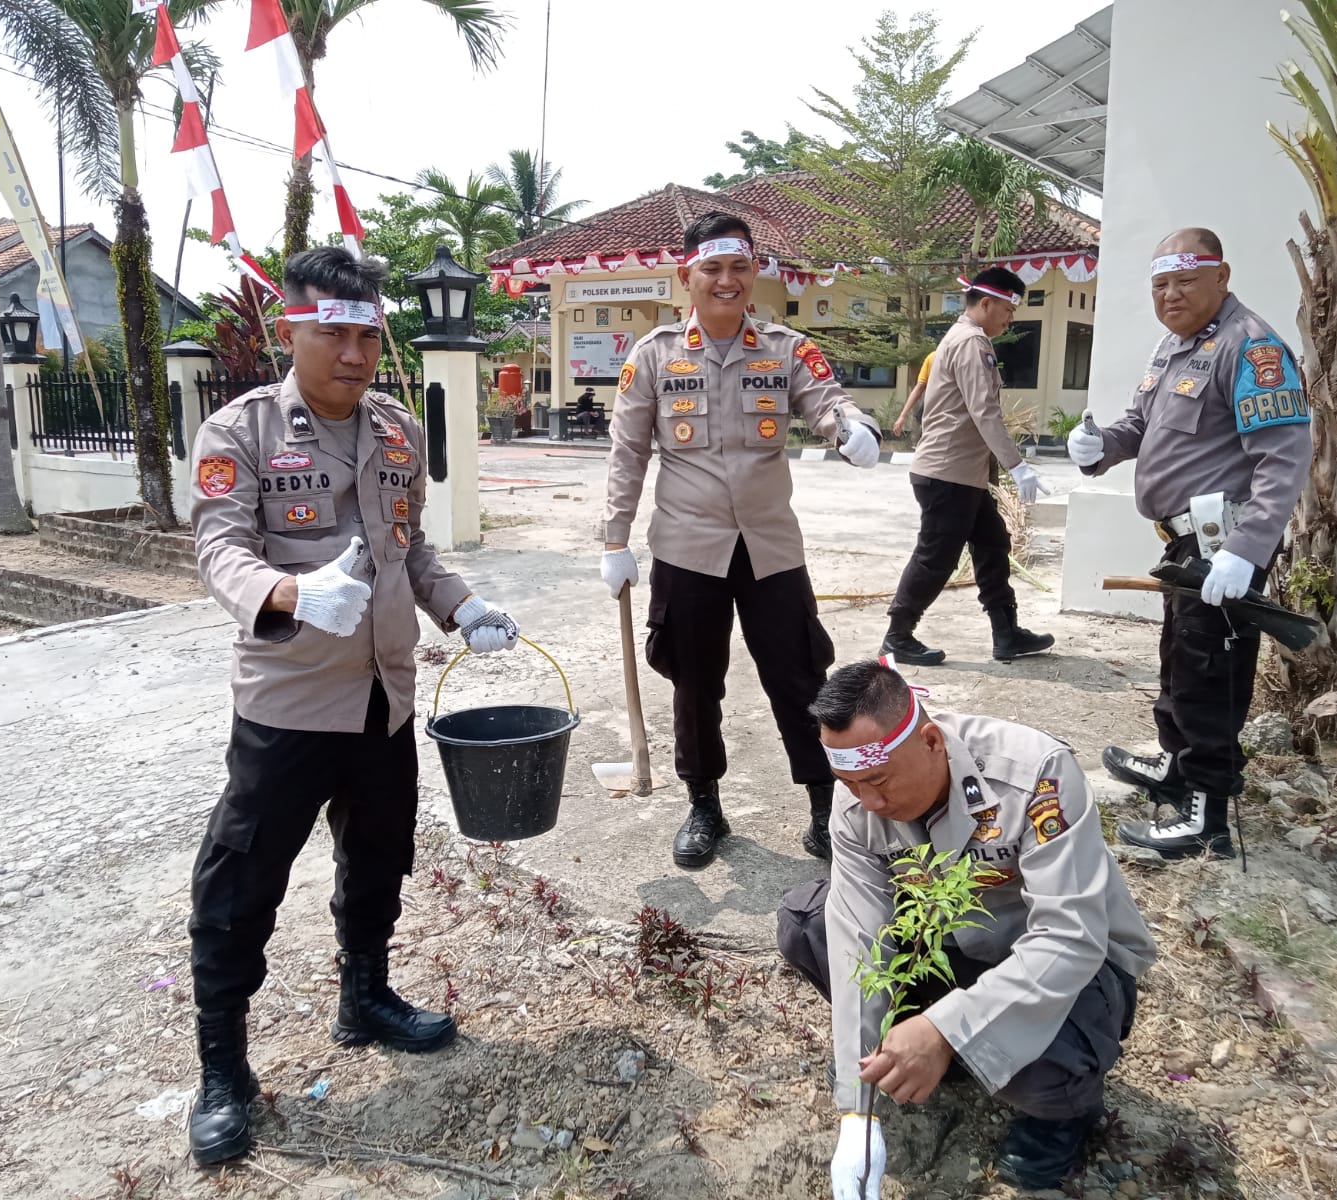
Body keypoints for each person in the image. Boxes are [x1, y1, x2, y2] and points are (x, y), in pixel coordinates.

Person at [184, 248, 522, 1165]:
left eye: (365, 332)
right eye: (330, 331)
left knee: (377, 859)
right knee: (241, 880)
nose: (352, 350)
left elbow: (411, 553)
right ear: (287, 330)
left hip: (384, 697)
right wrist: (292, 595)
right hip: (289, 704)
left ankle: (364, 996)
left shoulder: (397, 430)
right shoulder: (240, 432)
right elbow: (219, 550)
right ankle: (225, 1070)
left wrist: (462, 606)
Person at [777, 660, 1156, 1196]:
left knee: (1051, 1055)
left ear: (932, 741)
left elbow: (1069, 939)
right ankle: (940, 1061)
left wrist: (945, 1029)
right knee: (808, 923)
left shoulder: (1035, 776)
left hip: (1063, 968)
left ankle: (1062, 1113)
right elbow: (857, 937)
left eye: (879, 780)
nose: (870, 803)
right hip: (950, 948)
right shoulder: (858, 799)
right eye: (850, 784)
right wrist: (855, 1114)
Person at [600, 211, 883, 868]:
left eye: (739, 267)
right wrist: (615, 540)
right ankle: (704, 805)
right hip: (686, 549)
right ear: (687, 276)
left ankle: (822, 806)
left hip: (771, 549)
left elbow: (827, 399)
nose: (726, 281)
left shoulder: (784, 349)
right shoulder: (654, 356)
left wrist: (851, 427)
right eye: (712, 268)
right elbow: (626, 455)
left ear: (753, 273)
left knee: (800, 677)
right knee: (695, 682)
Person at [1067, 228, 1312, 860]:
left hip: (1223, 548)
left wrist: (1248, 549)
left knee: (1211, 677)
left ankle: (1207, 820)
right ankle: (1176, 769)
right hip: (1185, 548)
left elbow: (1282, 460)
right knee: (1179, 662)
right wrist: (1104, 449)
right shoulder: (1175, 347)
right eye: (1159, 285)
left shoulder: (1250, 348)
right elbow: (1144, 424)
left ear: (1221, 277)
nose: (1170, 295)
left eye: (1183, 281)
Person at [881, 267, 1054, 668]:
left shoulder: (961, 339)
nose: (1010, 318)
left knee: (993, 544)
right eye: (1008, 309)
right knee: (935, 558)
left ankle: (1006, 633)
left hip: (962, 474)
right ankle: (897, 636)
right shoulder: (973, 343)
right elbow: (985, 412)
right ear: (987, 303)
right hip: (947, 473)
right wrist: (1017, 466)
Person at [890, 348, 935, 438]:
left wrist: (902, 416)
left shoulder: (933, 357)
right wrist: (902, 416)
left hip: (932, 413)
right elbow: (920, 387)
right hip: (935, 414)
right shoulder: (933, 358)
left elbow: (919, 387)